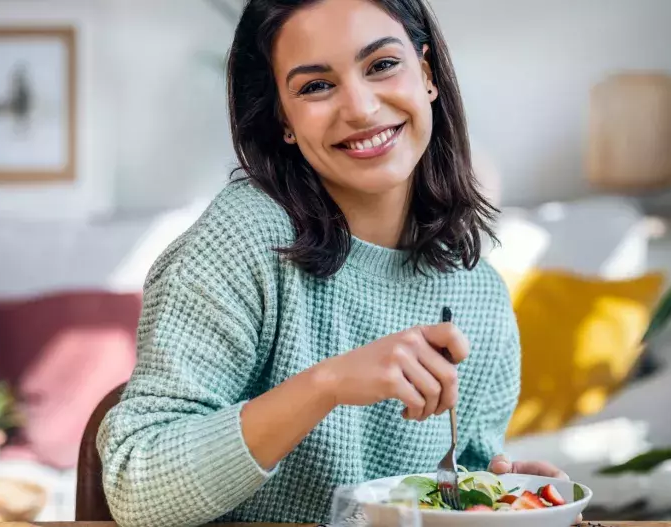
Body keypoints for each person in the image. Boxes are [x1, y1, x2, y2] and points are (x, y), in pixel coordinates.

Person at [97, 0, 569, 526]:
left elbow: (459, 482)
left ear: (427, 75)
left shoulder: (479, 295)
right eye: (316, 86)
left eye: (382, 65)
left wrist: (502, 498)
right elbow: (137, 489)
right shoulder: (242, 240)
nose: (361, 109)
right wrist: (327, 384)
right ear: (283, 118)